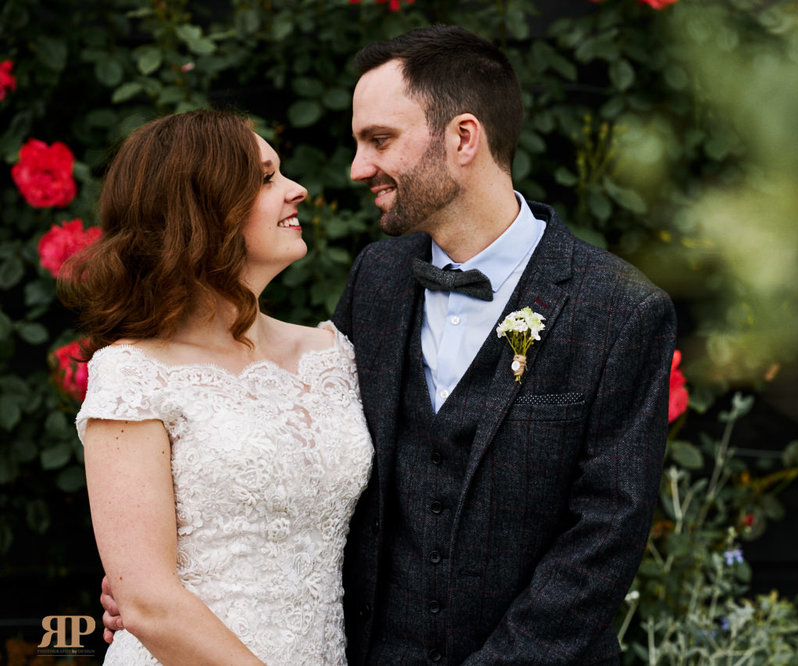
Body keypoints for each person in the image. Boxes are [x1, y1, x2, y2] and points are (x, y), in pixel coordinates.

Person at [334, 25, 677, 664]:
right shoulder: (375, 280)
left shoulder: (622, 310)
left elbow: (604, 538)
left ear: (464, 137)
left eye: (379, 140)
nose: (359, 169)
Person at [64, 110, 372, 665]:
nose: (298, 190)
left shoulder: (333, 355)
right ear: (204, 210)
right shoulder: (133, 372)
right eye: (266, 178)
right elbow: (148, 602)